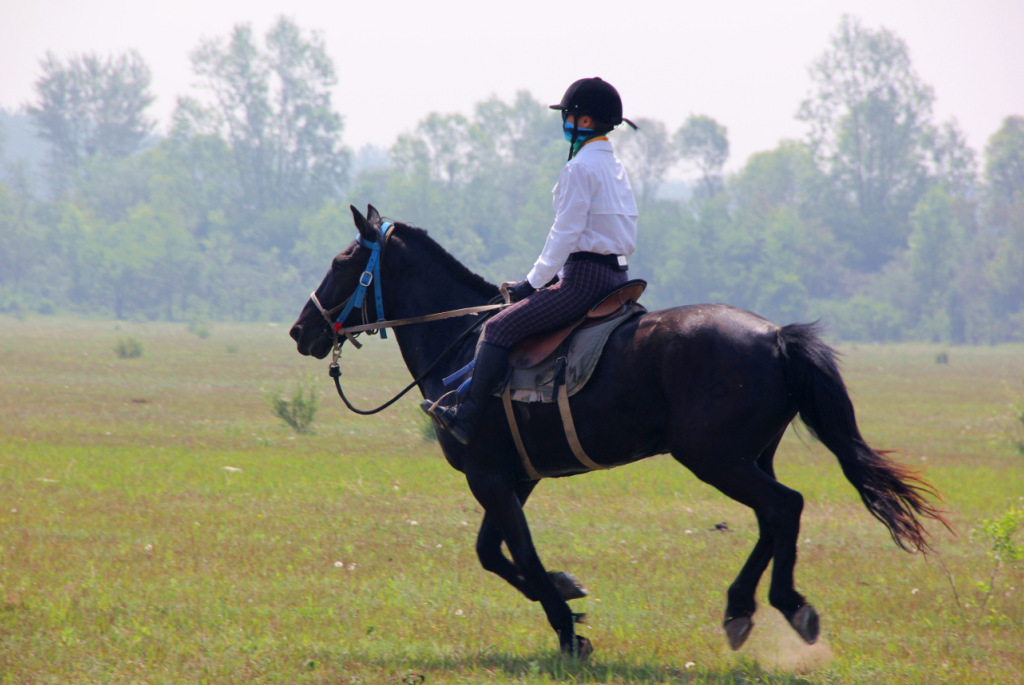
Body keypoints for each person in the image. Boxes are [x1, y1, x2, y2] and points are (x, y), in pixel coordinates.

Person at [422, 77, 639, 445]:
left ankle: (467, 417)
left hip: (583, 281)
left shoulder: (579, 169)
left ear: (584, 122)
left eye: (568, 114)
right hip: (618, 278)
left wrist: (532, 283)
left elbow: (564, 235)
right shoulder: (614, 167)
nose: (564, 121)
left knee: (497, 329)